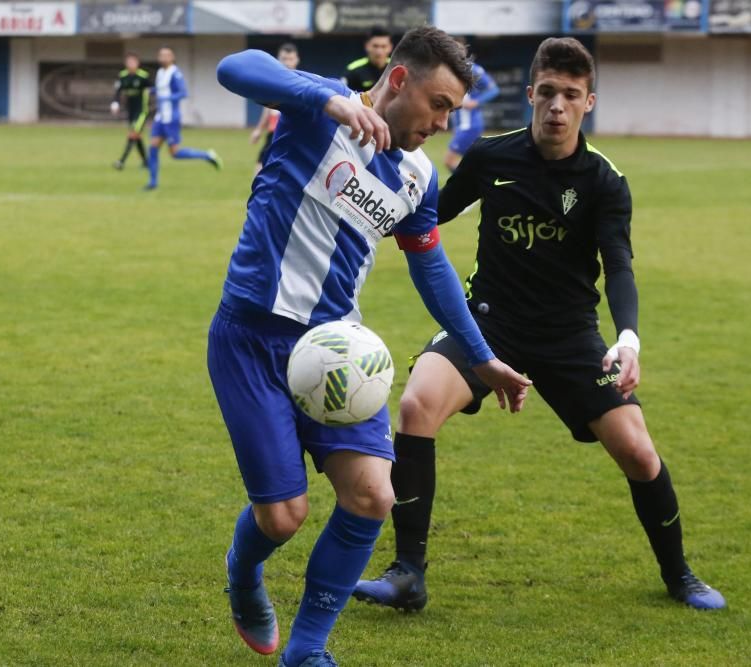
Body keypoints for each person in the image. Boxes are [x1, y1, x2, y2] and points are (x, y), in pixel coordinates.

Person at [354, 37, 726, 614]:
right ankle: (408, 574)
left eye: (570, 95)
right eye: (547, 92)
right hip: (487, 322)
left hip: (569, 335)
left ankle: (680, 575)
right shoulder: (491, 157)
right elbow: (428, 214)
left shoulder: (604, 181)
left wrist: (626, 337)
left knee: (638, 452)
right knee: (416, 406)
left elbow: (619, 264)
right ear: (531, 94)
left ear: (588, 102)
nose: (557, 105)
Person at [211, 27, 531, 667]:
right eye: (439, 105)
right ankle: (243, 573)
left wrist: (478, 354)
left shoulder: (418, 176)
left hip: (337, 352)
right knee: (282, 519)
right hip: (253, 337)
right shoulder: (318, 105)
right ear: (400, 79)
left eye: (453, 113)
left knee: (373, 496)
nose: (443, 123)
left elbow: (431, 268)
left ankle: (306, 650)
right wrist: (322, 98)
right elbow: (234, 66)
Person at [146, 46, 222, 190]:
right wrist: (152, 91)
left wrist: (167, 98)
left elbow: (183, 93)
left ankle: (207, 155)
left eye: (166, 55)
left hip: (171, 118)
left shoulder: (175, 73)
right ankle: (153, 182)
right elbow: (161, 90)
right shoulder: (160, 72)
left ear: (172, 57)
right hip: (160, 117)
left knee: (175, 153)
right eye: (160, 54)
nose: (162, 57)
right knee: (153, 147)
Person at [250, 43, 300, 175]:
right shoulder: (273, 82)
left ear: (297, 60)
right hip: (274, 132)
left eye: (291, 59)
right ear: (278, 60)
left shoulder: (302, 82)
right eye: (284, 59)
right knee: (261, 163)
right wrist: (259, 130)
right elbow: (268, 109)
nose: (287, 63)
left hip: (294, 131)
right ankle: (257, 191)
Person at [443, 60, 499, 173]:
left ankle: (469, 185)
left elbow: (494, 90)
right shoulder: (450, 69)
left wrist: (477, 101)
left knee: (450, 161)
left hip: (470, 125)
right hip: (462, 126)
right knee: (475, 162)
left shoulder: (473, 69)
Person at [110, 53, 150, 170]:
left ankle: (121, 161)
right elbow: (118, 91)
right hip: (131, 111)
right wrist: (115, 103)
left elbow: (153, 89)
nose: (131, 64)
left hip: (142, 111)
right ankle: (146, 162)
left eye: (133, 62)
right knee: (136, 137)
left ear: (138, 63)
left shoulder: (143, 76)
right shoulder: (123, 76)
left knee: (132, 134)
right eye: (129, 62)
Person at [341, 27, 393, 93]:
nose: (379, 51)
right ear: (367, 46)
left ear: (390, 47)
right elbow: (342, 96)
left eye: (383, 46)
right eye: (375, 46)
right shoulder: (353, 70)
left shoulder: (397, 68)